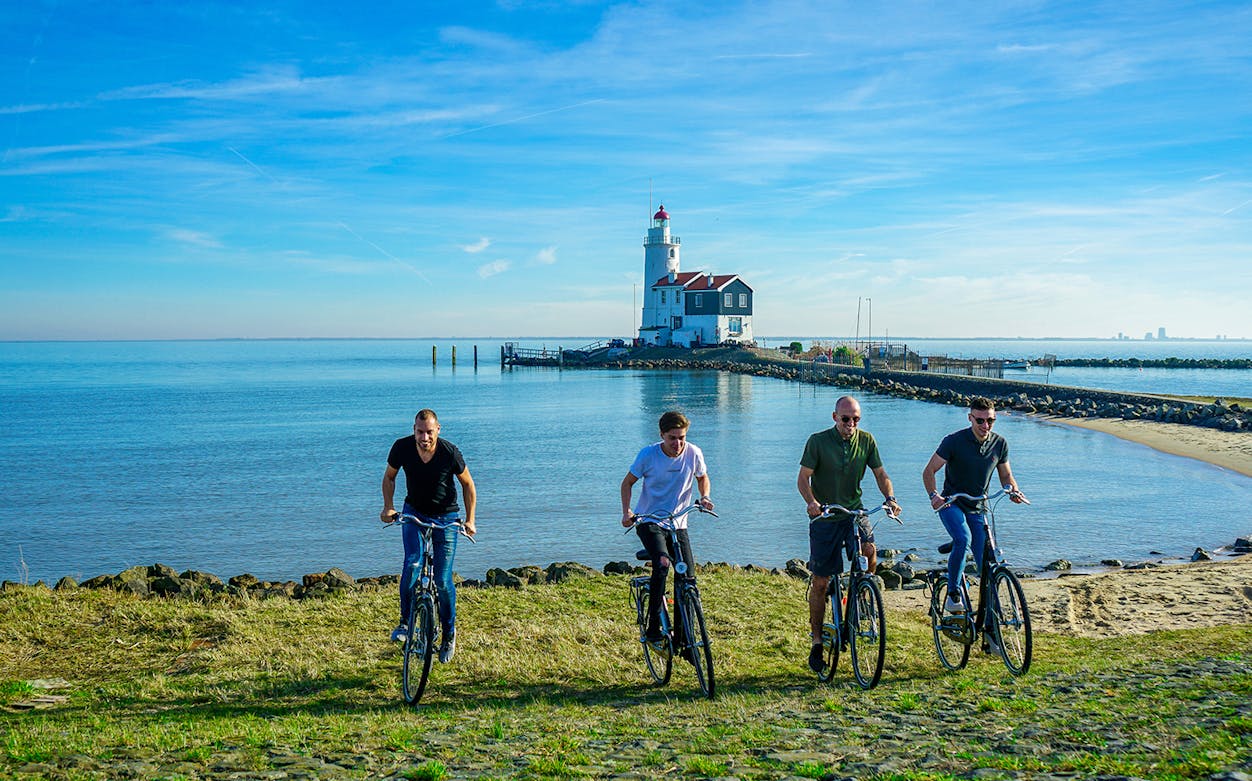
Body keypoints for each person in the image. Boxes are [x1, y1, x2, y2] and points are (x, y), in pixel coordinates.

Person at [797, 395, 901, 673]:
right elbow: (803, 478)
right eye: (846, 419)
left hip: (854, 511)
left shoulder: (867, 440)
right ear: (835, 418)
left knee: (869, 552)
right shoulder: (817, 441)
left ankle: (859, 596)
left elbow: (881, 474)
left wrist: (890, 497)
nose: (851, 424)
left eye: (856, 419)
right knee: (820, 582)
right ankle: (817, 642)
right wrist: (811, 502)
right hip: (826, 516)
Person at [381, 409, 477, 663]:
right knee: (412, 563)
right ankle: (404, 623)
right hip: (413, 513)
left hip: (446, 517)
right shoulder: (401, 448)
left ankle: (448, 634)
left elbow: (468, 484)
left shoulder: (449, 452)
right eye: (419, 432)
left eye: (429, 432)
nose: (424, 438)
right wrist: (388, 507)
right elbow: (390, 477)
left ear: (438, 430)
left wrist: (470, 520)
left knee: (444, 580)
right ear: (413, 429)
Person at [922, 397, 1027, 615]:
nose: (985, 426)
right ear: (970, 418)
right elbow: (929, 471)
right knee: (963, 538)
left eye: (990, 420)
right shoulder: (953, 441)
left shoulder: (1000, 444)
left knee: (985, 564)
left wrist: (1013, 490)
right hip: (952, 504)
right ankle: (953, 594)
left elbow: (1006, 475)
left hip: (979, 508)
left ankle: (991, 625)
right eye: (980, 421)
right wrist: (934, 496)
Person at [620, 411, 714, 651]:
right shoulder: (648, 455)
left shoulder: (693, 453)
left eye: (681, 437)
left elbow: (702, 477)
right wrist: (627, 512)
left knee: (687, 579)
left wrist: (704, 497)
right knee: (662, 564)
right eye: (672, 438)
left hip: (678, 522)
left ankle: (686, 643)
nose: (678, 443)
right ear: (661, 435)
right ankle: (653, 628)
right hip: (649, 520)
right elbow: (627, 483)